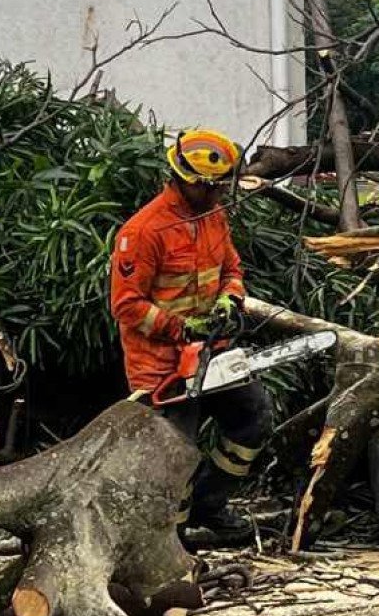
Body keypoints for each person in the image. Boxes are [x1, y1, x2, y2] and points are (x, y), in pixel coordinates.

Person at [110, 128, 271, 536]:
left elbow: (232, 270)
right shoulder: (143, 231)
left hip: (213, 353)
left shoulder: (212, 217)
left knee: (253, 418)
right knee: (173, 456)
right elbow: (126, 305)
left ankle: (209, 503)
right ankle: (171, 541)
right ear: (188, 181)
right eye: (213, 187)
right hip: (161, 365)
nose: (220, 195)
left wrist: (228, 302)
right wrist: (180, 327)